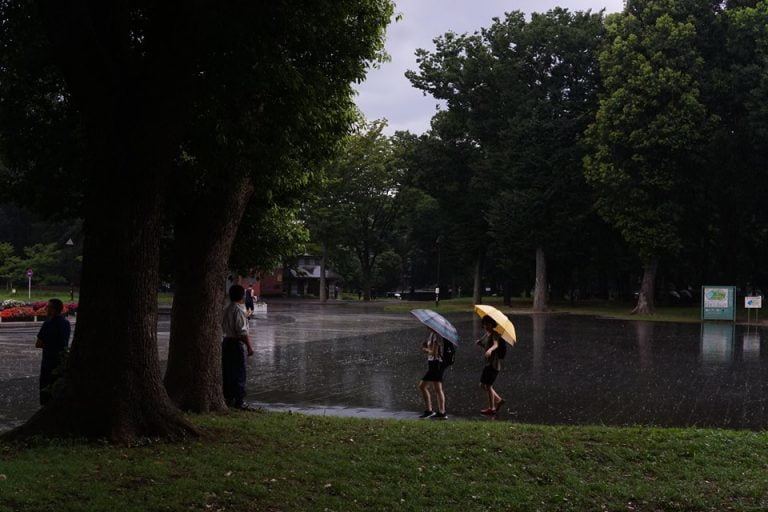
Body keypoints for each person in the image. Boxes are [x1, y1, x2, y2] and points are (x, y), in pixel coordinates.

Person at [222, 284, 255, 410]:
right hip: (235, 344)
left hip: (226, 342)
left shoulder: (227, 309)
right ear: (242, 296)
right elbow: (242, 332)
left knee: (228, 371)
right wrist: (249, 347)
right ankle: (239, 401)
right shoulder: (239, 311)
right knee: (239, 372)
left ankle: (228, 397)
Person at [35, 298, 71, 405]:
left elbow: (38, 344)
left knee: (46, 388)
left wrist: (48, 345)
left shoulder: (48, 323)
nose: (46, 309)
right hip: (61, 360)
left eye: (48, 307)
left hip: (48, 360)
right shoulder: (66, 323)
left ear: (53, 309)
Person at [476, 315, 505, 415]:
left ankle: (492, 408)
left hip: (493, 365)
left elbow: (496, 345)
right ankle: (498, 400)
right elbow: (486, 346)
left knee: (488, 386)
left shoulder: (495, 334)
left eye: (488, 324)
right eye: (484, 324)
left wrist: (490, 350)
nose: (486, 326)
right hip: (488, 364)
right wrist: (481, 344)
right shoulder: (487, 334)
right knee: (482, 385)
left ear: (492, 325)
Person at [417, 328, 448, 420]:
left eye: (428, 326)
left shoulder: (437, 336)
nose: (427, 327)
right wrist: (427, 345)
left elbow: (434, 353)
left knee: (423, 386)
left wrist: (425, 349)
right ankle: (438, 412)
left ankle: (435, 411)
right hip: (433, 364)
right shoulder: (432, 335)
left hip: (436, 364)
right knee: (437, 388)